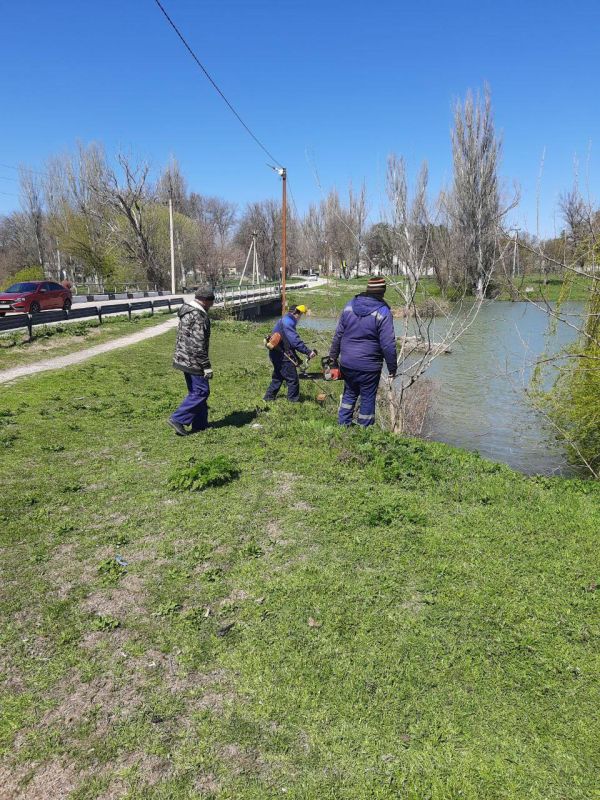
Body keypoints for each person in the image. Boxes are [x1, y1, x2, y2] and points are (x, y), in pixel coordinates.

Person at [328, 276, 397, 427]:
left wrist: (332, 359)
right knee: (367, 398)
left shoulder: (349, 305)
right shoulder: (383, 312)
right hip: (369, 367)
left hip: (347, 363)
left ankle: (342, 426)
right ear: (382, 292)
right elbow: (388, 344)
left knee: (349, 394)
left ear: (367, 289)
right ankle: (363, 434)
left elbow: (338, 335)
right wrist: (392, 367)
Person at [168, 286, 215, 436]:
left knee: (195, 392)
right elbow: (198, 344)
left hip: (182, 357)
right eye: (211, 302)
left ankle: (200, 424)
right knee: (201, 392)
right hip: (193, 360)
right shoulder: (198, 316)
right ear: (206, 301)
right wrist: (206, 366)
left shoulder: (186, 311)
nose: (212, 306)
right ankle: (178, 419)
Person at [263, 304, 317, 402]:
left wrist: (297, 358)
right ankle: (293, 403)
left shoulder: (285, 319)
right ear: (296, 313)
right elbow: (295, 341)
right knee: (293, 380)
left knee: (278, 377)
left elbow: (288, 343)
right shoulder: (288, 322)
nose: (300, 318)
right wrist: (308, 352)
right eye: (300, 315)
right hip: (282, 355)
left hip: (275, 353)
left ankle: (268, 398)